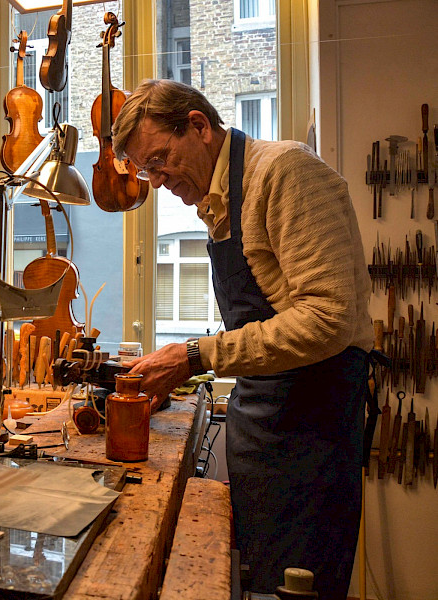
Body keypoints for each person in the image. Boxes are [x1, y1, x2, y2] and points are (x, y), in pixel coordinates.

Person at [111, 79, 373, 599]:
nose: (158, 181)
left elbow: (328, 317)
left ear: (199, 127)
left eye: (160, 159)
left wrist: (195, 355)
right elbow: (259, 326)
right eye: (147, 170)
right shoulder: (219, 201)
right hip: (263, 424)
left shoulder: (284, 172)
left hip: (311, 434)